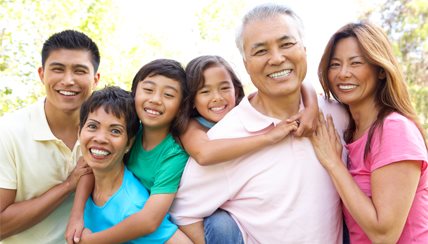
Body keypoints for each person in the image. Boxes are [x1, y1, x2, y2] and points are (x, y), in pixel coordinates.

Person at [170, 3, 349, 243]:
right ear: (246, 64)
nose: (276, 58)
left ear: (304, 50)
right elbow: (184, 213)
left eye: (286, 44)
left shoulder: (337, 115)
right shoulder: (227, 138)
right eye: (261, 51)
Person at [311, 21, 428, 243]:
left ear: (381, 71)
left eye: (356, 63)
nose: (343, 73)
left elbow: (384, 235)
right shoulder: (349, 130)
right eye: (335, 65)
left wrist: (334, 164)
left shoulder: (394, 129)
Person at [67, 59, 191, 243]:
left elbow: (149, 221)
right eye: (148, 90)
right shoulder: (134, 130)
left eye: (168, 95)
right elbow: (89, 167)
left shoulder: (173, 153)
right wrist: (76, 216)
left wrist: (90, 241)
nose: (155, 99)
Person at [0, 30, 99, 243]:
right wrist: (68, 185)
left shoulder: (109, 134)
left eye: (80, 71)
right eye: (58, 69)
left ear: (96, 79)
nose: (68, 80)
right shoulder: (8, 132)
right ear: (42, 74)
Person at [181, 54, 317, 166]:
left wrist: (311, 108)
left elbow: (302, 81)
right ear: (192, 99)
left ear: (236, 90)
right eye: (205, 91)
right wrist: (268, 137)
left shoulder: (245, 111)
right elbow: (203, 154)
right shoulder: (192, 125)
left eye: (224, 88)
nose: (217, 97)